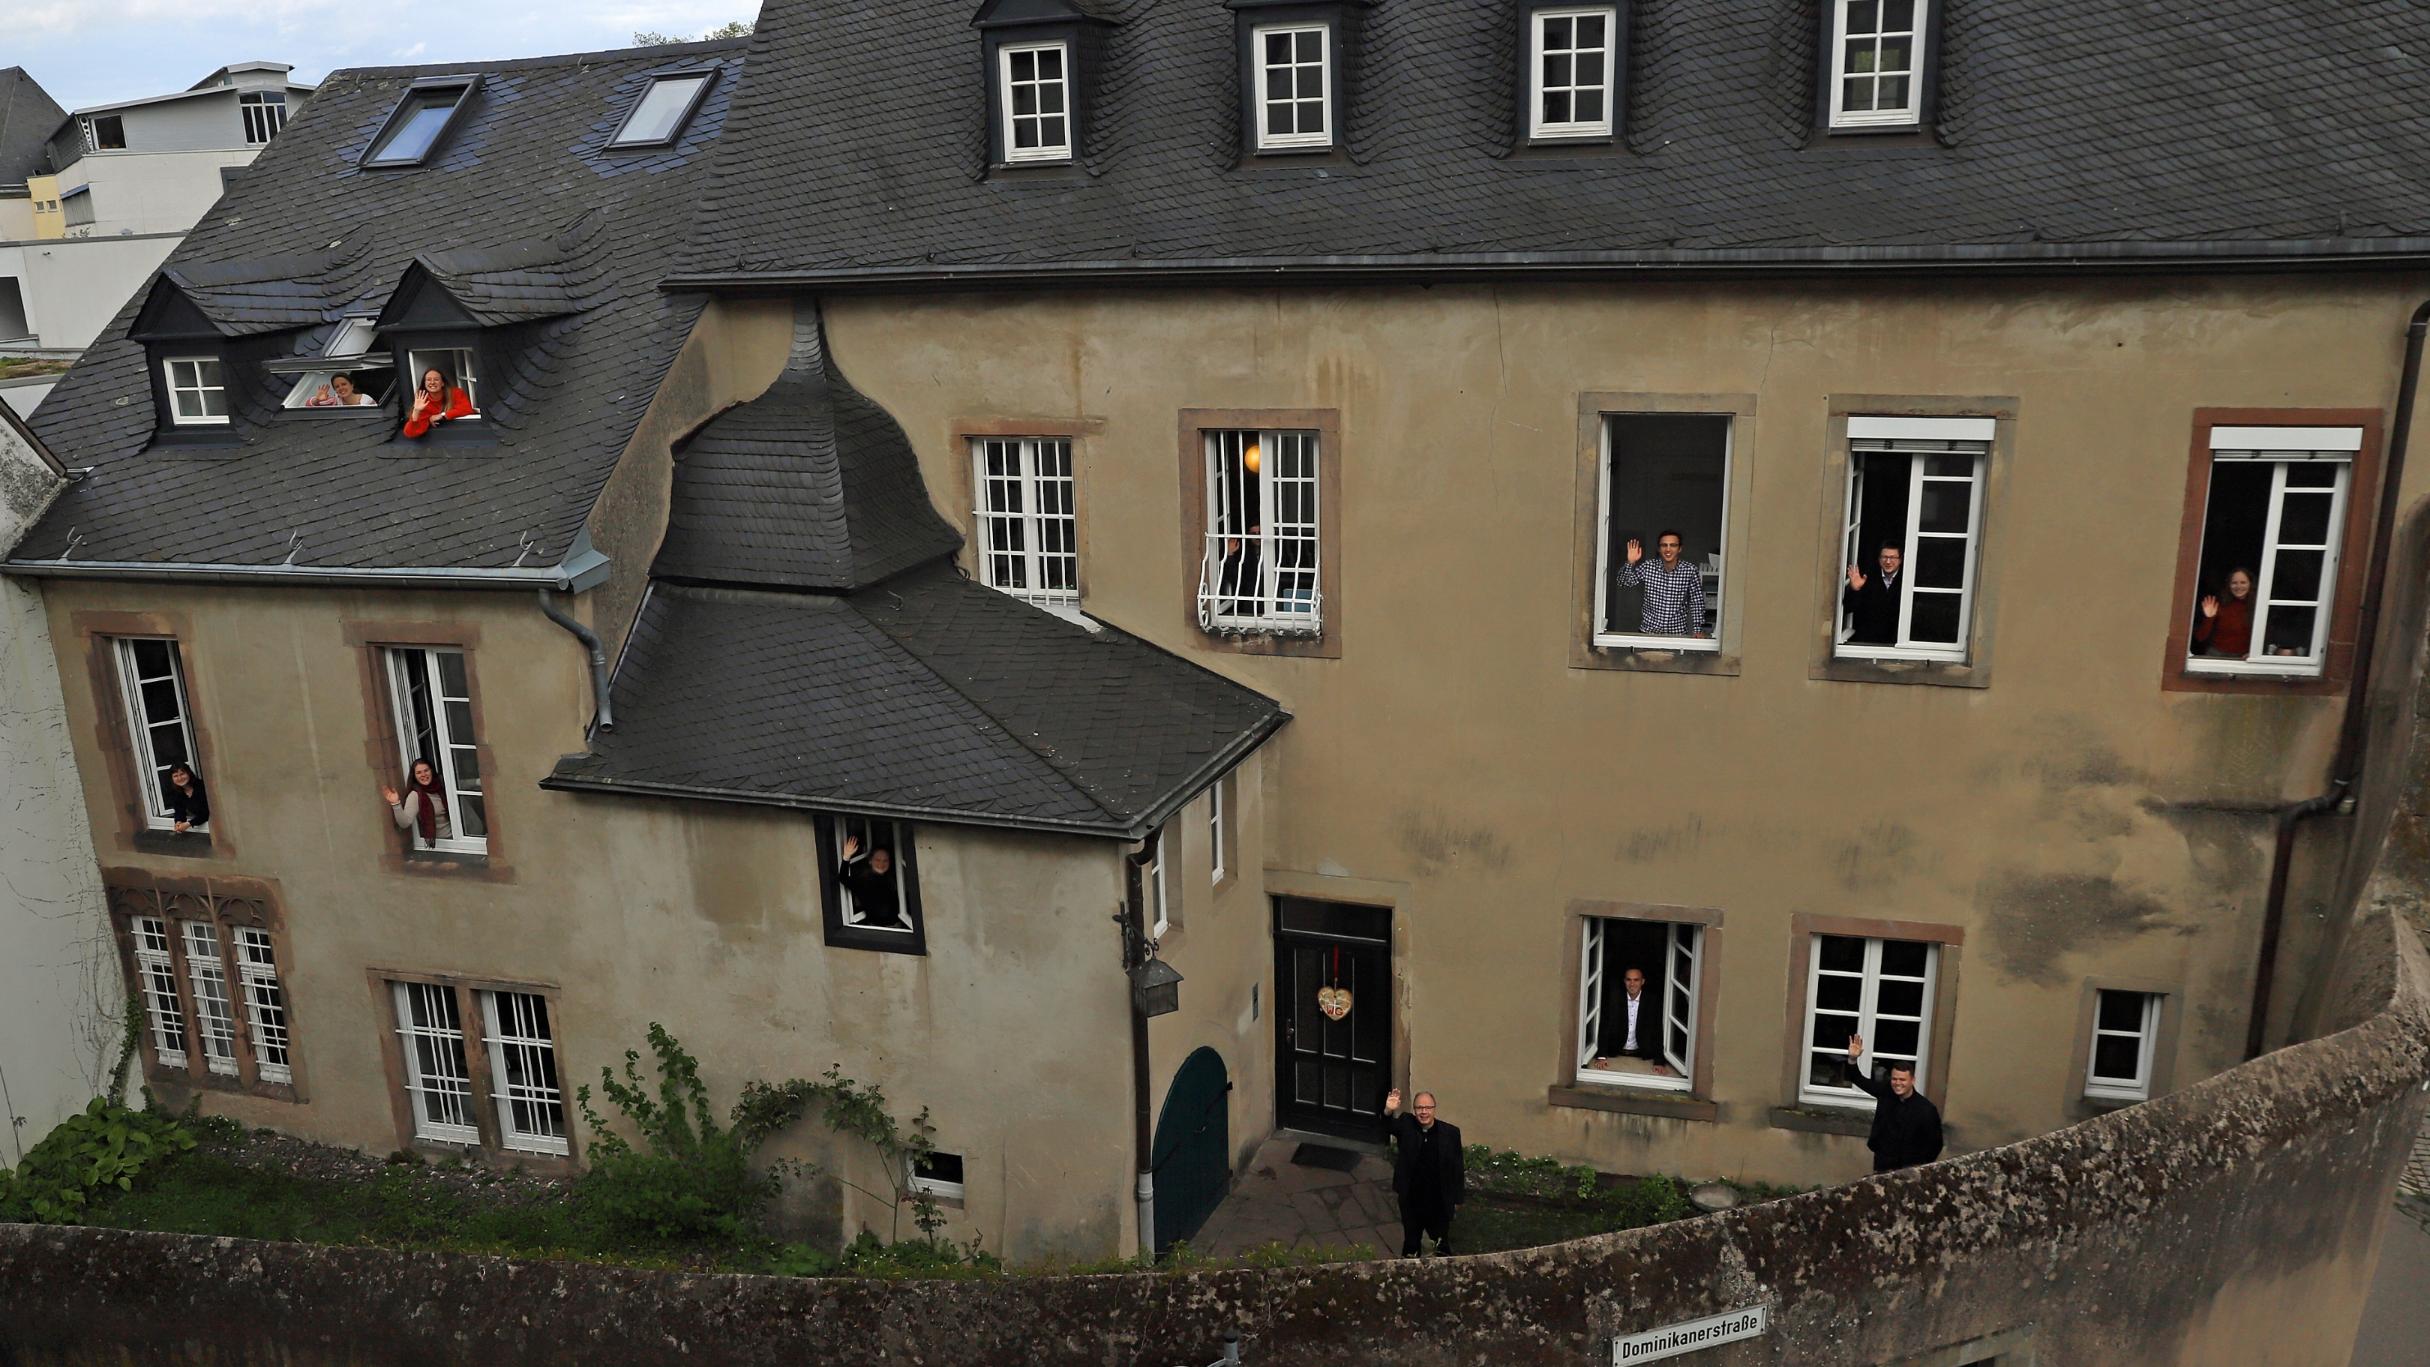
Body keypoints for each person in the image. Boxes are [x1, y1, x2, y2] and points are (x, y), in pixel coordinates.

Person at [1843, 1034, 1943, 1173]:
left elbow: (1936, 1144)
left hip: (1909, 1168)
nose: (1897, 1083)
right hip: (1882, 1162)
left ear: (1912, 1081)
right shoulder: (1886, 1092)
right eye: (1894, 1079)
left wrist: (1920, 1168)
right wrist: (1852, 1059)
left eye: (1902, 1080)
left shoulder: (1926, 1109)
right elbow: (1858, 1079)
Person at [1382, 1087, 1464, 1257]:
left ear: (1434, 1109)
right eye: (1419, 1108)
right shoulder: (1406, 1124)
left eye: (1427, 1108)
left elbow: (1457, 1167)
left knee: (1441, 1243)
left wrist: (1457, 1199)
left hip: (1438, 1200)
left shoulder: (1450, 1133)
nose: (1423, 1112)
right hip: (1412, 1199)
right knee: (1411, 1242)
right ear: (1414, 1110)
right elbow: (1386, 1127)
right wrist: (1388, 1110)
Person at [1619, 531, 1708, 638]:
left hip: (1677, 634)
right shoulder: (1649, 567)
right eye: (1664, 545)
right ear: (1659, 549)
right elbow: (1623, 582)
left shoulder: (1690, 570)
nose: (1668, 549)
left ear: (1680, 549)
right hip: (1648, 633)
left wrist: (1697, 629)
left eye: (1673, 545)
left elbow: (1696, 601)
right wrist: (1630, 562)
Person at [1591, 966, 1672, 1076]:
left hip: (1641, 1056)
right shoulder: (1614, 999)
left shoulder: (1651, 1002)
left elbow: (1657, 1031)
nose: (1632, 984)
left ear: (1642, 981)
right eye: (1629, 980)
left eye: (1636, 980)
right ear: (1624, 981)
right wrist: (1601, 1056)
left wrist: (1659, 1061)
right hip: (1616, 1054)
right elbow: (1604, 1027)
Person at [838, 832, 906, 929]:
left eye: (885, 860)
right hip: (874, 930)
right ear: (870, 861)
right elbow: (843, 878)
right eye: (877, 860)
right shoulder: (864, 881)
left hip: (896, 928)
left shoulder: (897, 880)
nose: (881, 864)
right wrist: (846, 857)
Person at [1842, 542, 1905, 645]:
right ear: (1879, 559)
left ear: (1900, 560)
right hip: (1868, 640)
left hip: (1896, 641)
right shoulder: (1868, 577)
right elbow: (1849, 607)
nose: (1888, 561)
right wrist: (1855, 589)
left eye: (1893, 557)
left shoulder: (1907, 581)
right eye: (1884, 557)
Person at [382, 758, 453, 848]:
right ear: (414, 776)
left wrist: (476, 781)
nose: (423, 775)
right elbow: (404, 823)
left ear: (432, 771)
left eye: (426, 770)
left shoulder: (442, 785)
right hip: (438, 845)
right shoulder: (415, 795)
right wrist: (396, 804)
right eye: (419, 773)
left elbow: (458, 787)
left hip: (456, 837)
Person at [2193, 567, 2255, 658]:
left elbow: (2265, 635)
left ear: (2250, 584)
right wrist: (2209, 617)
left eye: (2243, 582)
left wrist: (2254, 653)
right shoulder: (2220, 604)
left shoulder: (2258, 606)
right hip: (2217, 654)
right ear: (2228, 585)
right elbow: (2200, 637)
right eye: (2234, 583)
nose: (2238, 587)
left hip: (2244, 657)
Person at [401, 367, 474, 438]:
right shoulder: (423, 402)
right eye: (428, 380)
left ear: (442, 383)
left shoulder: (455, 393)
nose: (432, 382)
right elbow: (410, 433)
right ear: (424, 384)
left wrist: (442, 415)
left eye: (436, 379)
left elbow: (467, 409)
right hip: (441, 439)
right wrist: (416, 410)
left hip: (461, 434)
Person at [164, 761, 210, 833]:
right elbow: (179, 810)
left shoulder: (201, 787)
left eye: (182, 774)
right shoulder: (177, 793)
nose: (179, 778)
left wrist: (189, 824)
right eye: (175, 776)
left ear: (189, 774)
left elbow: (206, 813)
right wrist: (178, 822)